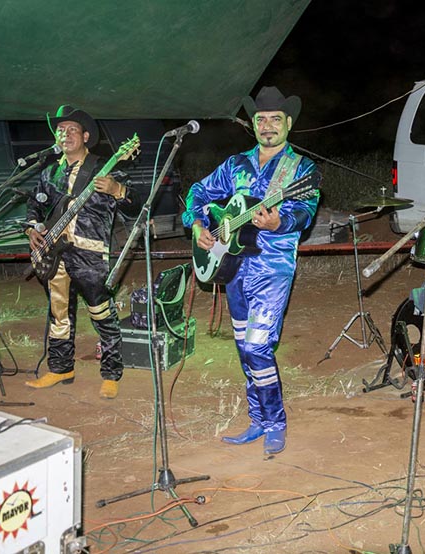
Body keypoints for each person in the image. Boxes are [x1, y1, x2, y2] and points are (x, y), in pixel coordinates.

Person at [183, 86, 319, 456]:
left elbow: (305, 211)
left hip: (272, 267)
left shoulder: (301, 169)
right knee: (244, 347)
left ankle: (276, 421)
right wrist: (198, 226)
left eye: (276, 119)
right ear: (253, 124)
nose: (268, 125)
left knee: (259, 345)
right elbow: (198, 192)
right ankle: (257, 419)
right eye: (261, 119)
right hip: (233, 265)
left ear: (288, 124)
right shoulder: (236, 164)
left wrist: (280, 222)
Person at [24, 105, 140, 399]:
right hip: (54, 253)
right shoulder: (49, 171)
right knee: (58, 314)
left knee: (101, 313)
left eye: (72, 129)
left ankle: (112, 373)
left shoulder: (106, 167)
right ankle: (61, 368)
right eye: (60, 130)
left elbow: (137, 206)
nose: (65, 134)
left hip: (90, 253)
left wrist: (117, 190)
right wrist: (33, 228)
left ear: (86, 136)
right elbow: (34, 207)